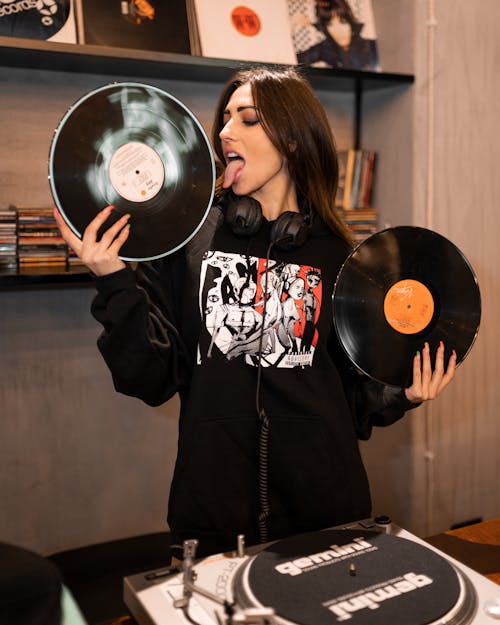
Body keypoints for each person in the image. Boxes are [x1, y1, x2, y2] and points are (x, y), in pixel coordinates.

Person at [54, 66, 455, 558]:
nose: (224, 132)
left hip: (327, 515)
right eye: (224, 119)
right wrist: (114, 280)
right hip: (213, 520)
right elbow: (150, 377)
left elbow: (352, 405)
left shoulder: (343, 256)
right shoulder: (187, 242)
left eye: (247, 119)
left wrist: (403, 392)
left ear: (291, 140)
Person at [296, 0, 379, 71]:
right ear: (326, 28)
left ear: (350, 22)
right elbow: (294, 61)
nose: (339, 30)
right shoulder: (325, 48)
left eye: (343, 22)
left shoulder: (371, 46)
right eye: (330, 24)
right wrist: (292, 25)